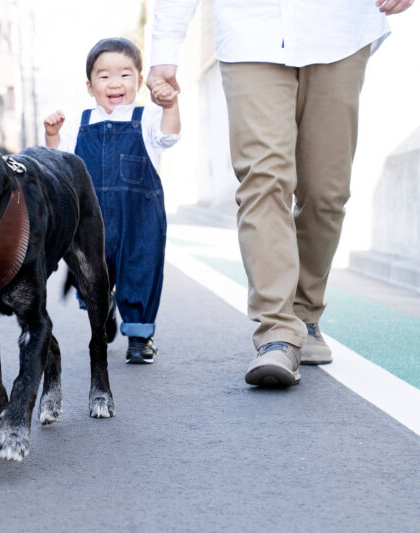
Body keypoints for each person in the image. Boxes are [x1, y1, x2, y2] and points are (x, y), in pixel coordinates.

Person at [148, 0, 414, 387]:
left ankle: (306, 313)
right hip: (250, 32)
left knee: (327, 192)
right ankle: (277, 332)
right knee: (263, 178)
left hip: (340, 29)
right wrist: (164, 49)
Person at [44, 38, 181, 364]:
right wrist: (52, 133)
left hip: (140, 217)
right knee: (89, 271)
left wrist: (170, 106)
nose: (115, 83)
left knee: (141, 269)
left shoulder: (147, 116)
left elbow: (169, 135)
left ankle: (139, 336)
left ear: (138, 80)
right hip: (89, 217)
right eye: (104, 76)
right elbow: (57, 159)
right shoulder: (80, 120)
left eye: (125, 74)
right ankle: (101, 310)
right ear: (90, 86)